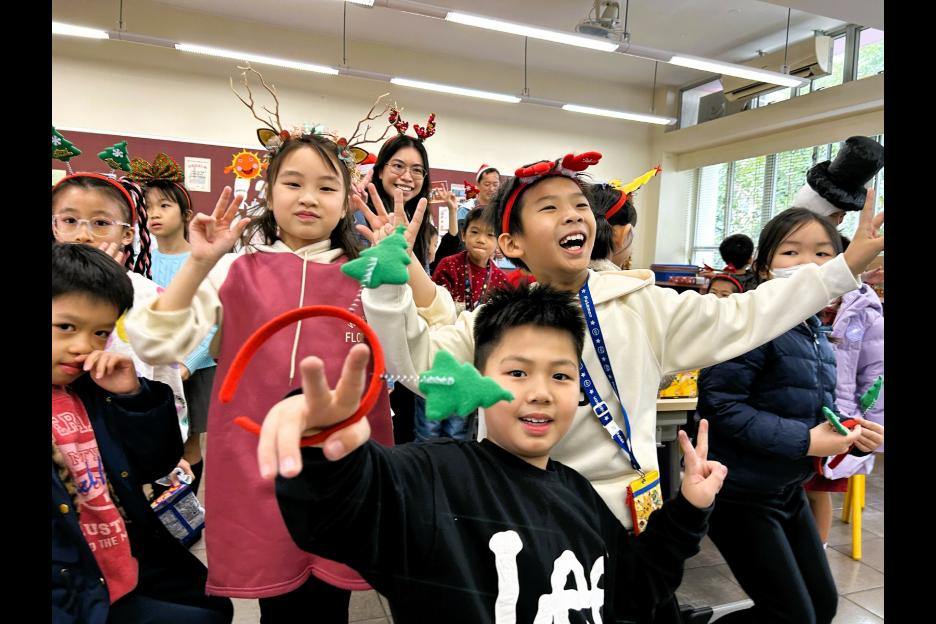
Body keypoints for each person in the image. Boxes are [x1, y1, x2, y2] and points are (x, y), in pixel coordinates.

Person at [260, 284, 726, 623]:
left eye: (561, 376)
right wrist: (323, 442)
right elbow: (346, 506)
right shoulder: (437, 477)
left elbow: (633, 590)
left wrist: (689, 510)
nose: (541, 392)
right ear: (479, 381)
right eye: (518, 373)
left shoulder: (579, 495)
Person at [126, 128, 395, 620]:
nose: (308, 198)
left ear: (346, 202)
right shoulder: (232, 270)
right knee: (279, 603)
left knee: (332, 602)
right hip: (258, 463)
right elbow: (153, 344)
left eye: (326, 187)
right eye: (292, 183)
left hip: (345, 464)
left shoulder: (372, 275)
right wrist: (198, 264)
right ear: (269, 193)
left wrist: (403, 270)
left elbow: (411, 359)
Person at [696, 208, 885, 623]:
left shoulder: (814, 331)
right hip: (739, 493)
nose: (807, 265)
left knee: (822, 606)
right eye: (791, 252)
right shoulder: (748, 323)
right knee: (792, 616)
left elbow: (812, 405)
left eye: (822, 254)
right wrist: (806, 440)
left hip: (787, 488)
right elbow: (719, 406)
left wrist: (849, 432)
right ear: (765, 267)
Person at [52, 242, 232, 624]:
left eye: (100, 332)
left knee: (215, 607)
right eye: (66, 327)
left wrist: (133, 397)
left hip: (125, 567)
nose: (83, 346)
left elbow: (155, 462)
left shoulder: (90, 391)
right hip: (77, 597)